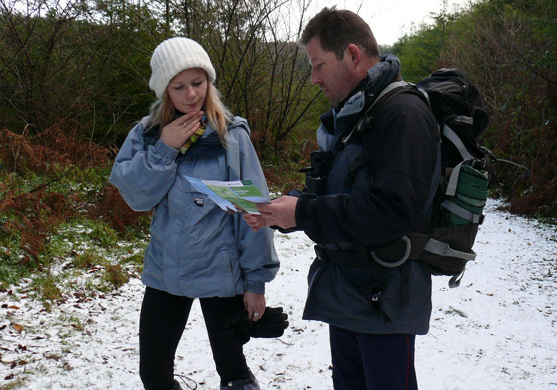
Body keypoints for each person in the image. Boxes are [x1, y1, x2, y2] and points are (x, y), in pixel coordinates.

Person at [244, 7, 439, 390]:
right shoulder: (355, 115)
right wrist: (283, 209)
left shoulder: (402, 113)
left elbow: (392, 210)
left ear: (352, 54)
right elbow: (338, 194)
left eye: (318, 65)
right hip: (348, 292)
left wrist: (302, 211)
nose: (313, 79)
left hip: (385, 299)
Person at [109, 37, 279, 390]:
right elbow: (137, 198)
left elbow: (255, 211)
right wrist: (165, 150)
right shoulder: (147, 135)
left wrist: (255, 282)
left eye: (198, 83)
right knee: (153, 376)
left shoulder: (231, 135)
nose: (191, 95)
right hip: (165, 274)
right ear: (164, 91)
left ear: (209, 82)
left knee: (233, 373)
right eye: (179, 86)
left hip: (221, 275)